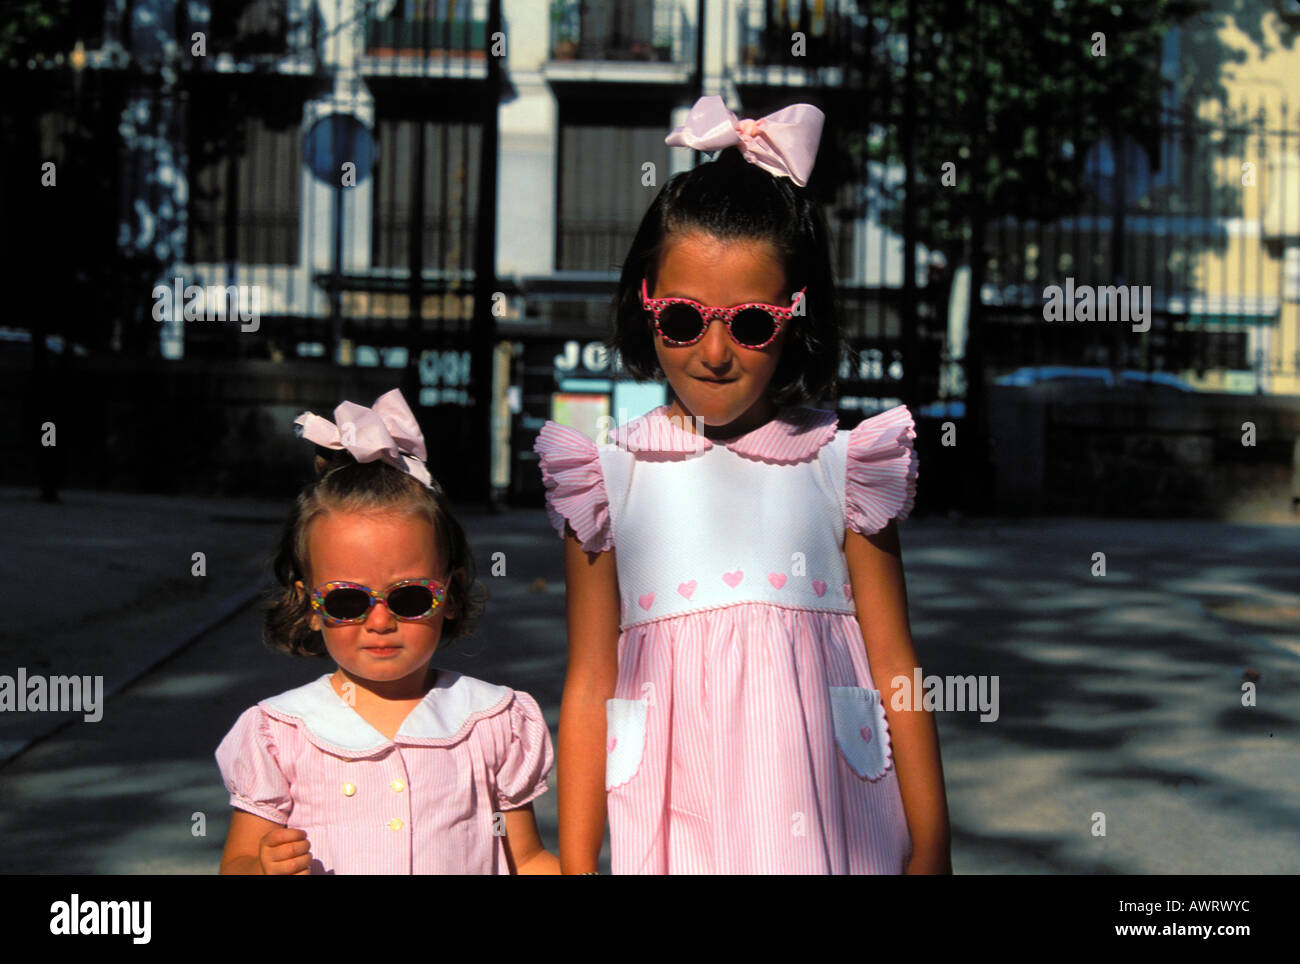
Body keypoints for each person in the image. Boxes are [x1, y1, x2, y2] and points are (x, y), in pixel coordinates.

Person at [534, 96, 952, 874]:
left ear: (797, 318)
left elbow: (896, 663)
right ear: (644, 304)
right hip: (671, 818)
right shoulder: (604, 479)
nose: (716, 352)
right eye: (685, 319)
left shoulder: (844, 465)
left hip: (832, 823)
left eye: (753, 322)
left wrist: (932, 848)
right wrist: (573, 857)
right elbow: (590, 679)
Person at [216, 389, 557, 874]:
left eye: (409, 597)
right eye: (346, 601)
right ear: (309, 604)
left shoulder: (491, 723)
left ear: (452, 594)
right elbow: (238, 862)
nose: (379, 621)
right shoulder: (281, 734)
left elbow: (525, 857)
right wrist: (262, 868)